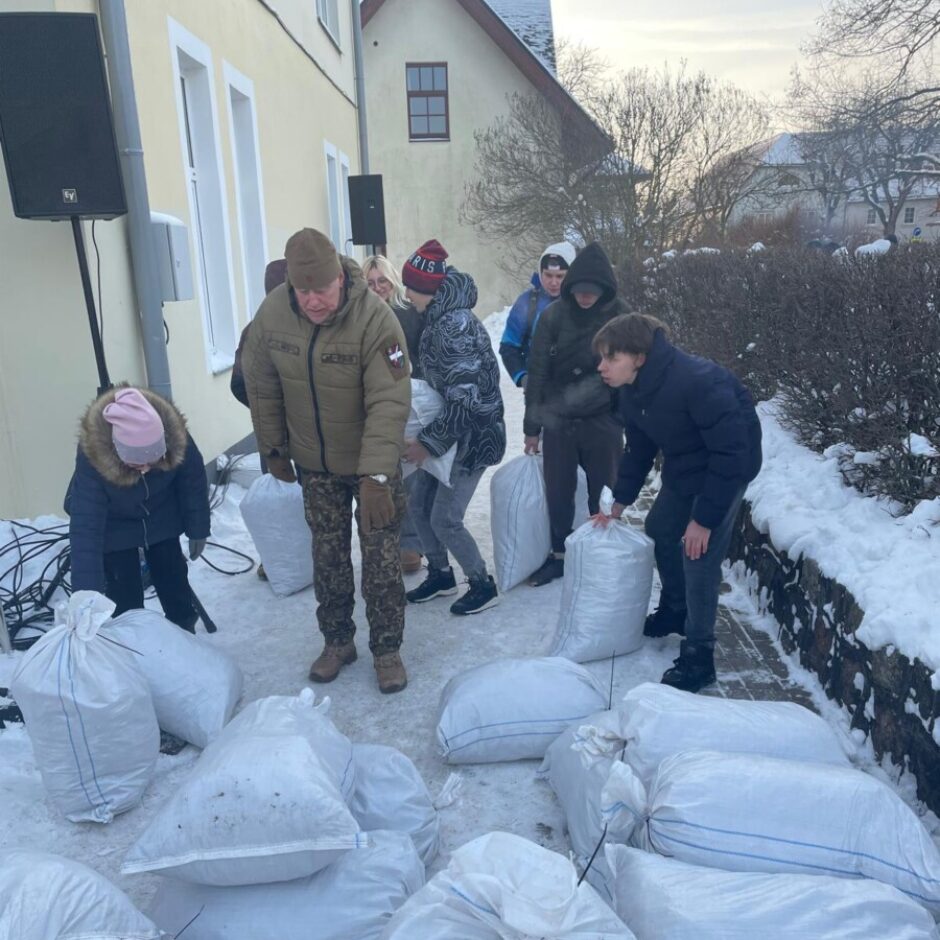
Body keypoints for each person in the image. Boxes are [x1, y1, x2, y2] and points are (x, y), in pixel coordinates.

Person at [243, 228, 411, 694]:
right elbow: (262, 383)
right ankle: (337, 641)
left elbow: (390, 399)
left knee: (380, 560)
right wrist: (273, 446)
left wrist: (377, 474)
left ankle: (387, 648)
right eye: (304, 291)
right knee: (328, 557)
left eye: (322, 290)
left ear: (340, 277)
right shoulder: (274, 314)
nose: (314, 301)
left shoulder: (375, 320)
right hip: (316, 465)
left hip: (370, 466)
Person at [593, 313, 762, 693]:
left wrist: (703, 519)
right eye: (601, 358)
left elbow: (731, 452)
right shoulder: (633, 389)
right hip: (688, 463)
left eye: (610, 358)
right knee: (660, 529)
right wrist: (619, 501)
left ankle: (699, 657)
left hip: (728, 467)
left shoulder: (698, 382)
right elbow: (638, 448)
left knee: (697, 555)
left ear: (638, 356)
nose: (601, 367)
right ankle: (675, 609)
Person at [399, 239, 506, 615]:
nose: (406, 294)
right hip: (450, 435)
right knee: (419, 503)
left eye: (410, 287)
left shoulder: (453, 327)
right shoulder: (441, 316)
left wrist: (426, 444)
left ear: (427, 288)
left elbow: (467, 401)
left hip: (472, 438)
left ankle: (481, 582)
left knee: (445, 517)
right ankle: (441, 575)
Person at [523, 241, 627, 587]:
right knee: (558, 492)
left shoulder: (620, 317)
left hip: (602, 420)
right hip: (558, 420)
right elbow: (536, 372)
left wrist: (625, 419)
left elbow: (635, 370)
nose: (585, 297)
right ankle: (559, 555)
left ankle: (600, 555)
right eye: (580, 291)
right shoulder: (552, 317)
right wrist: (532, 428)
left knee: (605, 493)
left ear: (604, 290)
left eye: (592, 292)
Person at [65, 385, 210, 631]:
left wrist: (198, 528)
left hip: (161, 514)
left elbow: (192, 483)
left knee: (174, 579)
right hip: (115, 524)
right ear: (117, 451)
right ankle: (132, 642)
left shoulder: (176, 437)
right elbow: (86, 528)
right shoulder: (94, 457)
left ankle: (185, 632)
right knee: (124, 595)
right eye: (136, 464)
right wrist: (85, 598)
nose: (145, 470)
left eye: (152, 463)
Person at [363, 254, 425, 575]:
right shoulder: (358, 319)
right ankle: (385, 542)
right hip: (368, 406)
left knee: (408, 475)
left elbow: (407, 365)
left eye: (382, 282)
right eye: (370, 283)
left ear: (393, 283)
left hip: (406, 403)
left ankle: (411, 543)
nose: (377, 289)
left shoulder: (406, 316)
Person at [499, 241, 577, 388]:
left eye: (560, 276)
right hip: (538, 391)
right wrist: (522, 376)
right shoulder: (527, 302)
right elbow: (508, 346)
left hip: (575, 391)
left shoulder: (580, 302)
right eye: (548, 275)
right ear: (540, 273)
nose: (553, 282)